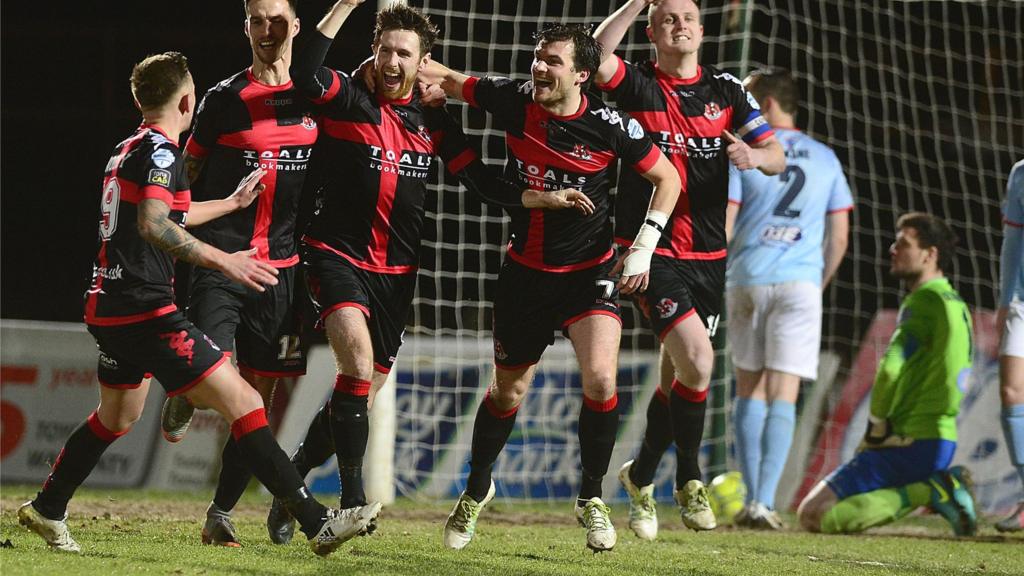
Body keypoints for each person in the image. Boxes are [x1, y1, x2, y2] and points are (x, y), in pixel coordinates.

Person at [16, 51, 379, 556]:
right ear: (187, 101)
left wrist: (230, 204)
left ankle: (48, 507)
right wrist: (225, 262)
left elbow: (170, 213)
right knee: (247, 403)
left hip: (107, 307)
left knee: (117, 417)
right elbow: (155, 224)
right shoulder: (164, 155)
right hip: (146, 313)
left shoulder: (128, 149)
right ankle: (318, 521)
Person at [261, 0, 532, 545]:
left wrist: (538, 199)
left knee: (362, 388)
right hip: (335, 255)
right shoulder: (347, 97)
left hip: (398, 272)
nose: (391, 61)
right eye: (383, 49)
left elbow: (477, 180)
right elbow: (306, 72)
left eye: (403, 53)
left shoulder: (432, 116)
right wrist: (343, 6)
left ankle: (291, 480)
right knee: (356, 365)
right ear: (373, 51)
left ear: (422, 61)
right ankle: (353, 501)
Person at [419, 23, 682, 552]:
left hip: (590, 274)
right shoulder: (511, 99)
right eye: (538, 58)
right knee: (508, 390)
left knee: (602, 381)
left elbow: (668, 179)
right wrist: (410, 75)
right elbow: (446, 78)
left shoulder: (611, 125)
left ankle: (590, 498)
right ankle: (476, 488)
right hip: (526, 275)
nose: (539, 67)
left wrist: (644, 247)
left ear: (583, 75)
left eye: (553, 62)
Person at [592, 0, 785, 538]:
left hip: (710, 258)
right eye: (667, 18)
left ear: (701, 30)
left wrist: (752, 155)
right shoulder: (637, 86)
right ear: (652, 31)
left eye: (688, 18)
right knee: (699, 363)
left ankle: (642, 475)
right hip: (653, 253)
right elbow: (594, 53)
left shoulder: (725, 91)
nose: (679, 25)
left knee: (678, 377)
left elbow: (777, 158)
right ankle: (689, 479)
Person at [157, 0, 322, 547]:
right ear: (245, 26)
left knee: (256, 400)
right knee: (219, 379)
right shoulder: (224, 99)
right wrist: (175, 229)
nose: (268, 30)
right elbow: (189, 168)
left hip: (283, 272)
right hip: (224, 262)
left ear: (297, 26)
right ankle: (187, 389)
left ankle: (220, 512)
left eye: (279, 19)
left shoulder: (315, 92)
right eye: (258, 19)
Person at [722, 69, 853, 529]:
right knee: (784, 392)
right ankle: (764, 503)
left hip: (748, 278)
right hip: (800, 282)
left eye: (752, 102)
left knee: (748, 388)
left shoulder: (747, 152)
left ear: (769, 103)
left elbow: (727, 222)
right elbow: (839, 235)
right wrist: (815, 283)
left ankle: (749, 499)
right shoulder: (826, 158)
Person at [796, 212, 977, 536]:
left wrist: (877, 425)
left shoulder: (924, 300)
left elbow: (890, 368)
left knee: (813, 515)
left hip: (906, 439)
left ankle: (931, 491)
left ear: (930, 253)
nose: (893, 248)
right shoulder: (955, 303)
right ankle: (931, 489)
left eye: (904, 243)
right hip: (938, 438)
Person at [996, 158, 1024, 533]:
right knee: (1011, 390)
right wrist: (1005, 298)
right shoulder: (1020, 172)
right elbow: (1013, 241)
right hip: (1023, 299)